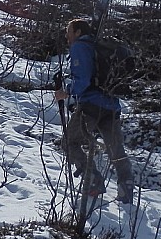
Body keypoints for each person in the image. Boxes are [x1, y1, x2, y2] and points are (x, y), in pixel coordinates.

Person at [54, 18, 134, 205]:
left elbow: (83, 80)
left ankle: (93, 179)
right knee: (116, 149)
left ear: (78, 32)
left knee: (69, 142)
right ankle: (126, 185)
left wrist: (66, 91)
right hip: (112, 105)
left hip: (91, 105)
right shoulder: (98, 46)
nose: (67, 35)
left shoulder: (80, 47)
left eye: (69, 31)